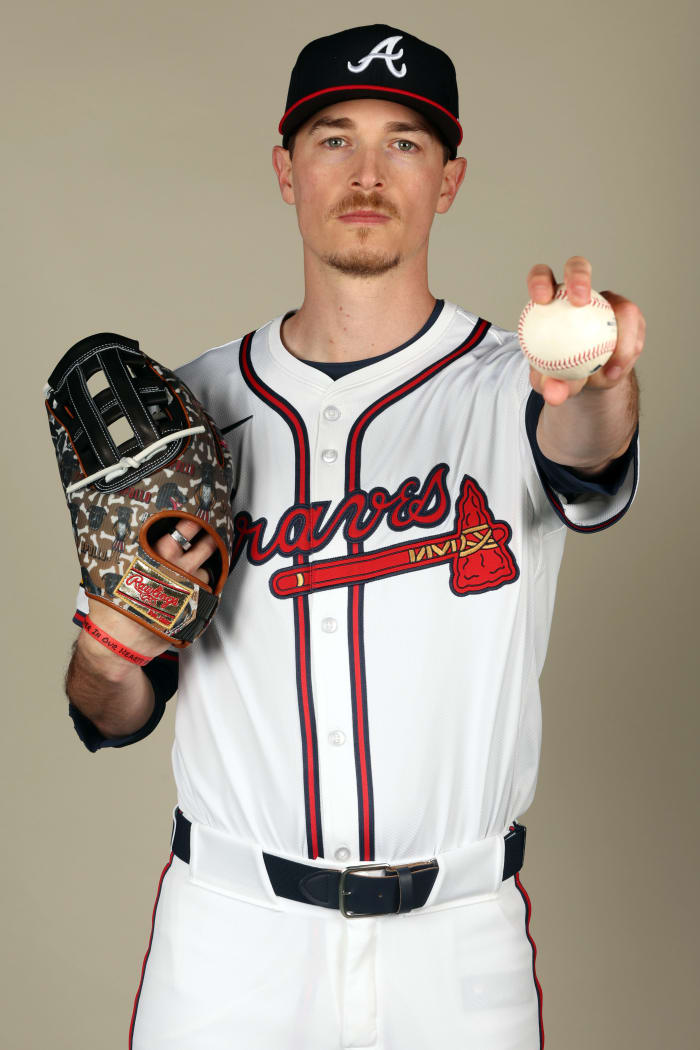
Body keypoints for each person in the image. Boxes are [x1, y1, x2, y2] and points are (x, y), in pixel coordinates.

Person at [64, 24, 644, 1050]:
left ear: (450, 179)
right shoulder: (191, 408)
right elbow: (109, 713)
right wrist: (108, 645)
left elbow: (586, 447)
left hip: (456, 945)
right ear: (286, 171)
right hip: (230, 946)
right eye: (334, 139)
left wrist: (599, 384)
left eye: (404, 144)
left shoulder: (517, 383)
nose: (368, 173)